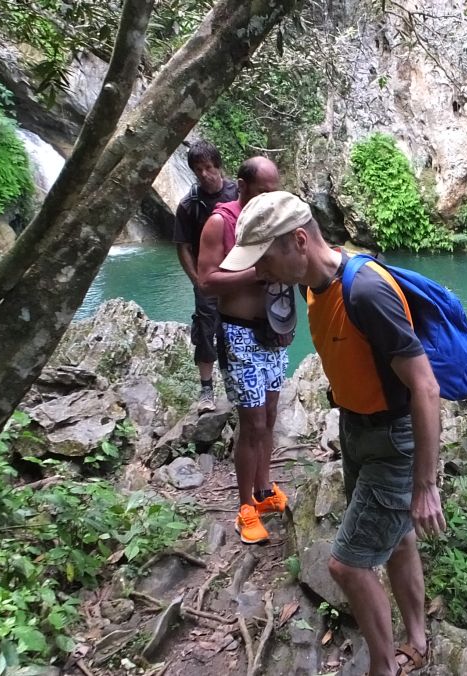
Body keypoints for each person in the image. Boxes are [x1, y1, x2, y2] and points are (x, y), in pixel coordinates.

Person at [220, 191, 443, 676]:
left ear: (299, 241)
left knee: (348, 565)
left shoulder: (365, 291)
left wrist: (426, 485)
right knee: (398, 537)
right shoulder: (311, 286)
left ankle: (382, 669)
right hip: (356, 429)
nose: (258, 272)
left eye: (264, 258)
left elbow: (425, 386)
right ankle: (418, 642)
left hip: (394, 440)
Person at [197, 157, 292, 545]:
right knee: (251, 423)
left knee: (268, 416)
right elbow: (206, 281)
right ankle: (244, 508)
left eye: (275, 191)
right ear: (243, 185)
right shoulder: (221, 222)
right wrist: (256, 274)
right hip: (238, 335)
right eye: (263, 191)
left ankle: (264, 490)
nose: (270, 198)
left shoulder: (275, 220)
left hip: (273, 332)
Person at [174, 140, 238, 413]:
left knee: (235, 331)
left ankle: (233, 385)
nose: (204, 174)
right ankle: (206, 390)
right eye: (198, 169)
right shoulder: (189, 205)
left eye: (208, 167)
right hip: (208, 279)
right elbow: (183, 247)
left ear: (219, 166)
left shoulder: (239, 193)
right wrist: (197, 281)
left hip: (237, 276)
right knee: (205, 330)